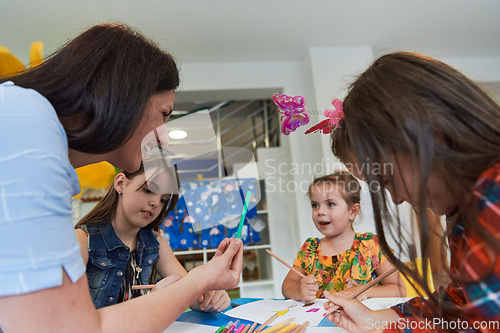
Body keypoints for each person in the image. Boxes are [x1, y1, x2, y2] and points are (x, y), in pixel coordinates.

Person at [0, 23, 243, 333]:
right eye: (165, 114)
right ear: (125, 95)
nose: (165, 139)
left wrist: (199, 282)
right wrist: (201, 280)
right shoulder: (29, 132)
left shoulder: (31, 128)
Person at [323, 52, 500, 333]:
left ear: (431, 136)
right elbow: (459, 304)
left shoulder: (493, 198)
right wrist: (379, 319)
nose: (396, 199)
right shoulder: (462, 211)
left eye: (387, 179)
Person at [75, 155, 231, 312]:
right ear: (121, 183)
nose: (156, 203)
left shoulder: (155, 244)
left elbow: (194, 296)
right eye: (148, 190)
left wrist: (211, 296)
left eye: (163, 200)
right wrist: (151, 303)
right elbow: (68, 321)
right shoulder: (82, 242)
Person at [282, 171, 405, 302]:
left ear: (352, 211)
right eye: (315, 205)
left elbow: (399, 289)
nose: (320, 212)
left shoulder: (370, 245)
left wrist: (366, 291)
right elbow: (286, 286)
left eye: (330, 204)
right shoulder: (310, 248)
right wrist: (299, 291)